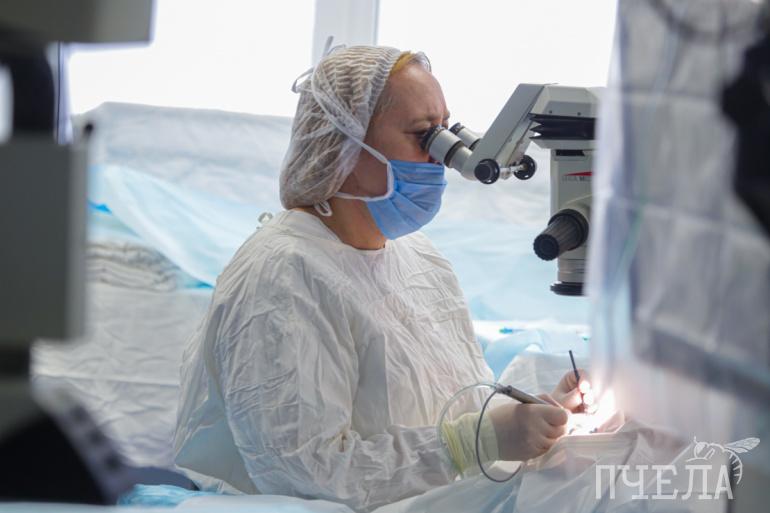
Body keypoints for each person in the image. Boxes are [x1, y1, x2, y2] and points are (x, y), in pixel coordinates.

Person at [173, 44, 590, 512]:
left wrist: (529, 419)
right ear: (344, 146)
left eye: (446, 131)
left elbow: (454, 408)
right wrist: (476, 441)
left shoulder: (420, 260)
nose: (444, 159)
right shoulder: (283, 276)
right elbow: (302, 472)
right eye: (424, 135)